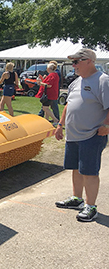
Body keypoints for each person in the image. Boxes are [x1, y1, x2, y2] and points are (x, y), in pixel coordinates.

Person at [54, 48, 109, 222]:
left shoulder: (102, 80)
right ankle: (77, 199)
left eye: (77, 61)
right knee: (76, 168)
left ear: (89, 61)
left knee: (90, 171)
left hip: (92, 134)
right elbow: (69, 105)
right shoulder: (75, 82)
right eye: (73, 62)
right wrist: (60, 125)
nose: (74, 65)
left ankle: (91, 206)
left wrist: (107, 125)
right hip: (73, 134)